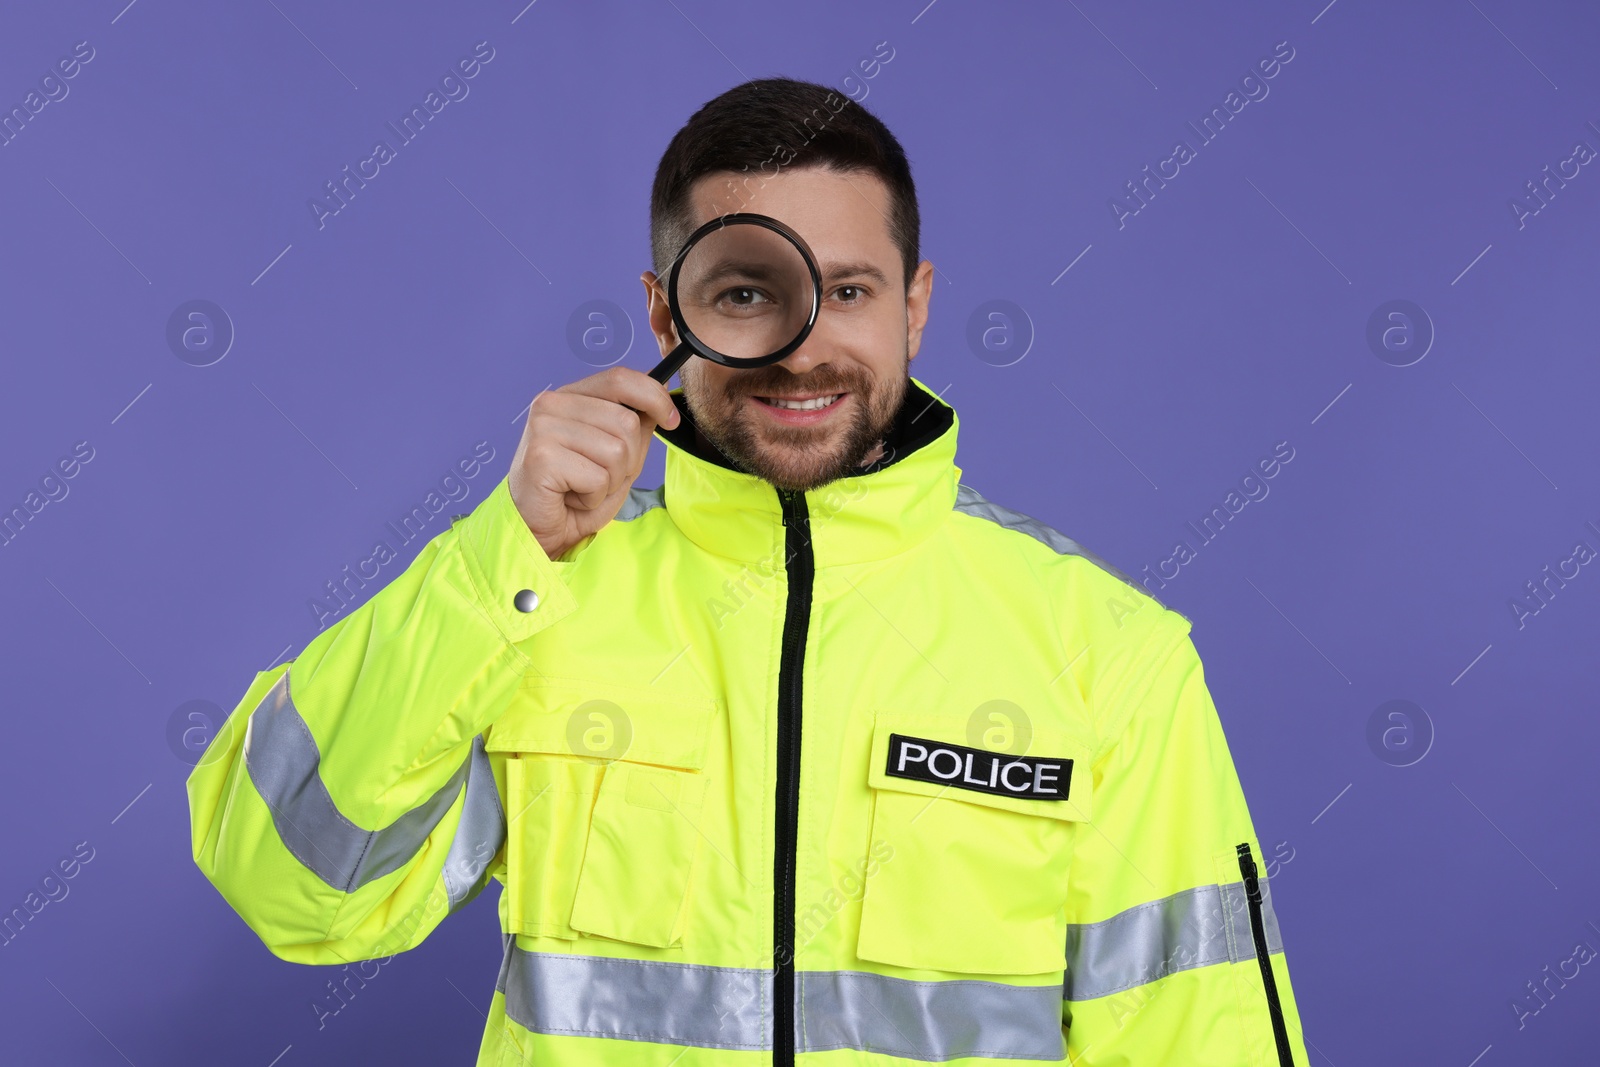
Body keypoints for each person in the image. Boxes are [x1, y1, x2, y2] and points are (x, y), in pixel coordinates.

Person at [187, 76, 1312, 1066]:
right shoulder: (530, 596)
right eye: (743, 292)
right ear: (661, 308)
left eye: (851, 291)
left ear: (915, 304)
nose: (800, 343)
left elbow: (1202, 1036)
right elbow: (289, 886)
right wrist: (502, 557)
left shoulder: (1105, 650)